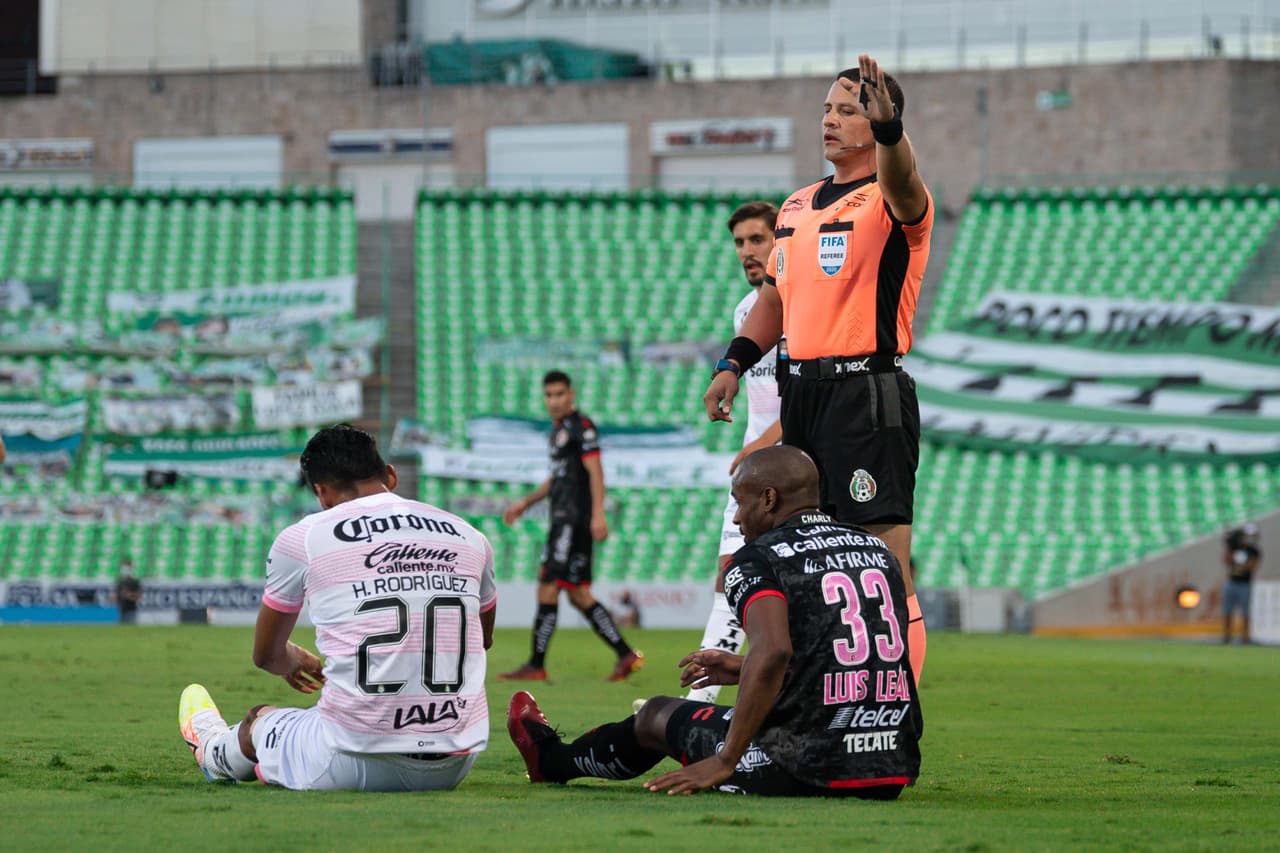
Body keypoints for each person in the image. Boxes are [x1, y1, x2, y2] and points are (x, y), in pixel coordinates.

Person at [508, 445, 922, 798]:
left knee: (655, 714)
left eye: (740, 502)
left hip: (807, 765)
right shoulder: (878, 551)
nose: (737, 518)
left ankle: (550, 760)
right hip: (889, 767)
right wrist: (744, 668)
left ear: (769, 499)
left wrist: (726, 759)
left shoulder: (758, 559)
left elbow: (773, 650)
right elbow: (850, 659)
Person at [702, 54, 932, 685]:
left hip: (866, 394)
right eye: (827, 108)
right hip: (800, 394)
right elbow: (774, 300)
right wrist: (732, 363)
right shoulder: (796, 206)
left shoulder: (892, 198)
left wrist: (890, 132)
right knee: (802, 558)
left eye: (848, 110)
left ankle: (896, 704)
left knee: (883, 562)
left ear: (878, 121)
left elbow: (905, 179)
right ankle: (814, 698)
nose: (829, 119)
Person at [177, 424, 497, 792]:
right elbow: (481, 639)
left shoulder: (304, 537)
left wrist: (292, 659)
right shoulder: (470, 535)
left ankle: (214, 752)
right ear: (390, 476)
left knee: (258, 720)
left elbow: (266, 656)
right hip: (454, 761)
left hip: (349, 759)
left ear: (322, 492)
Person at [689, 201, 784, 704]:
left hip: (798, 470)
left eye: (757, 240)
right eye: (739, 243)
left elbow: (811, 394)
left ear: (780, 241)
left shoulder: (800, 306)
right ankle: (698, 704)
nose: (747, 251)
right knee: (730, 574)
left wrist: (766, 442)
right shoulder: (746, 311)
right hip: (753, 470)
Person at [499, 370, 643, 682]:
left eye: (559, 394)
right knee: (578, 594)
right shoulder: (558, 431)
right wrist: (525, 503)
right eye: (549, 395)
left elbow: (595, 471)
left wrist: (598, 515)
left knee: (549, 586)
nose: (554, 401)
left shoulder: (581, 427)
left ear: (571, 395)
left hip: (571, 521)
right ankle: (625, 654)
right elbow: (557, 478)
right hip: (565, 519)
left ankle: (536, 665)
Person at [1222, 523, 1261, 645]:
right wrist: (1228, 546)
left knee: (1245, 611)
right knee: (1227, 610)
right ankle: (1226, 636)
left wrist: (1242, 565)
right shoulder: (1233, 548)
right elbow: (1226, 561)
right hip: (1232, 582)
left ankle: (1245, 637)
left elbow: (1253, 566)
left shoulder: (1253, 550)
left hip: (1245, 584)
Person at [112, 558, 143, 625]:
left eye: (127, 568)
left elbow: (139, 596)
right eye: (124, 568)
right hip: (121, 610)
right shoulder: (120, 582)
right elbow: (114, 597)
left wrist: (129, 595)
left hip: (131, 610)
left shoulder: (135, 582)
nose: (125, 570)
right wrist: (116, 597)